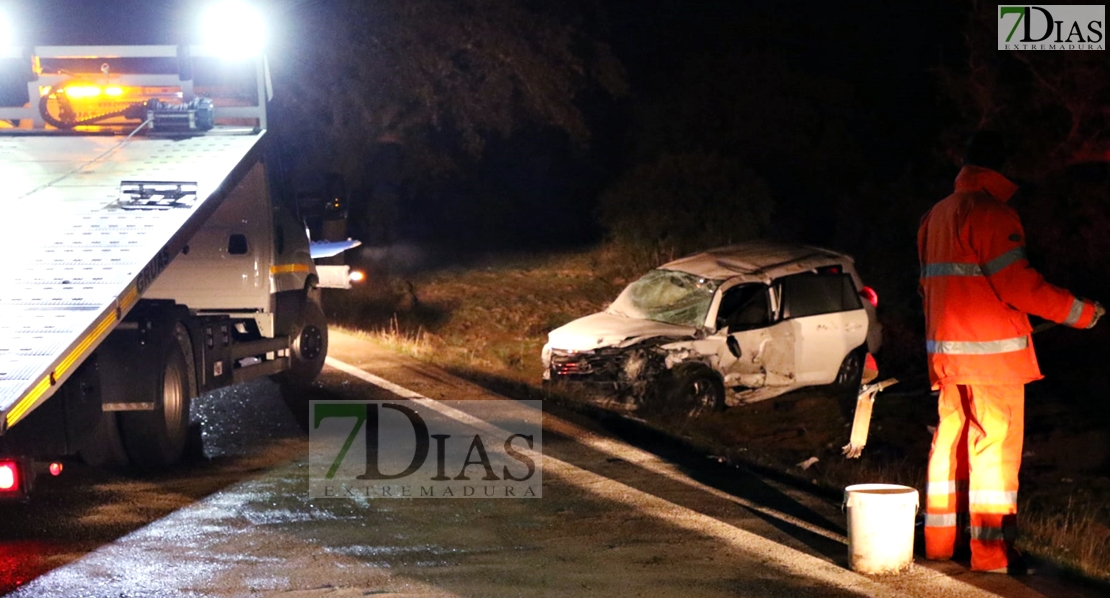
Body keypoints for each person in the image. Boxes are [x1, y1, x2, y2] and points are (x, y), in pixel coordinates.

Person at [917, 130, 1105, 573]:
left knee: (949, 444)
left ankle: (939, 544)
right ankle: (991, 555)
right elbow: (1018, 284)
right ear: (1001, 169)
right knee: (993, 453)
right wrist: (1082, 312)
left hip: (947, 357)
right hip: (992, 362)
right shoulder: (992, 213)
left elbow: (931, 287)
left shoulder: (935, 216)